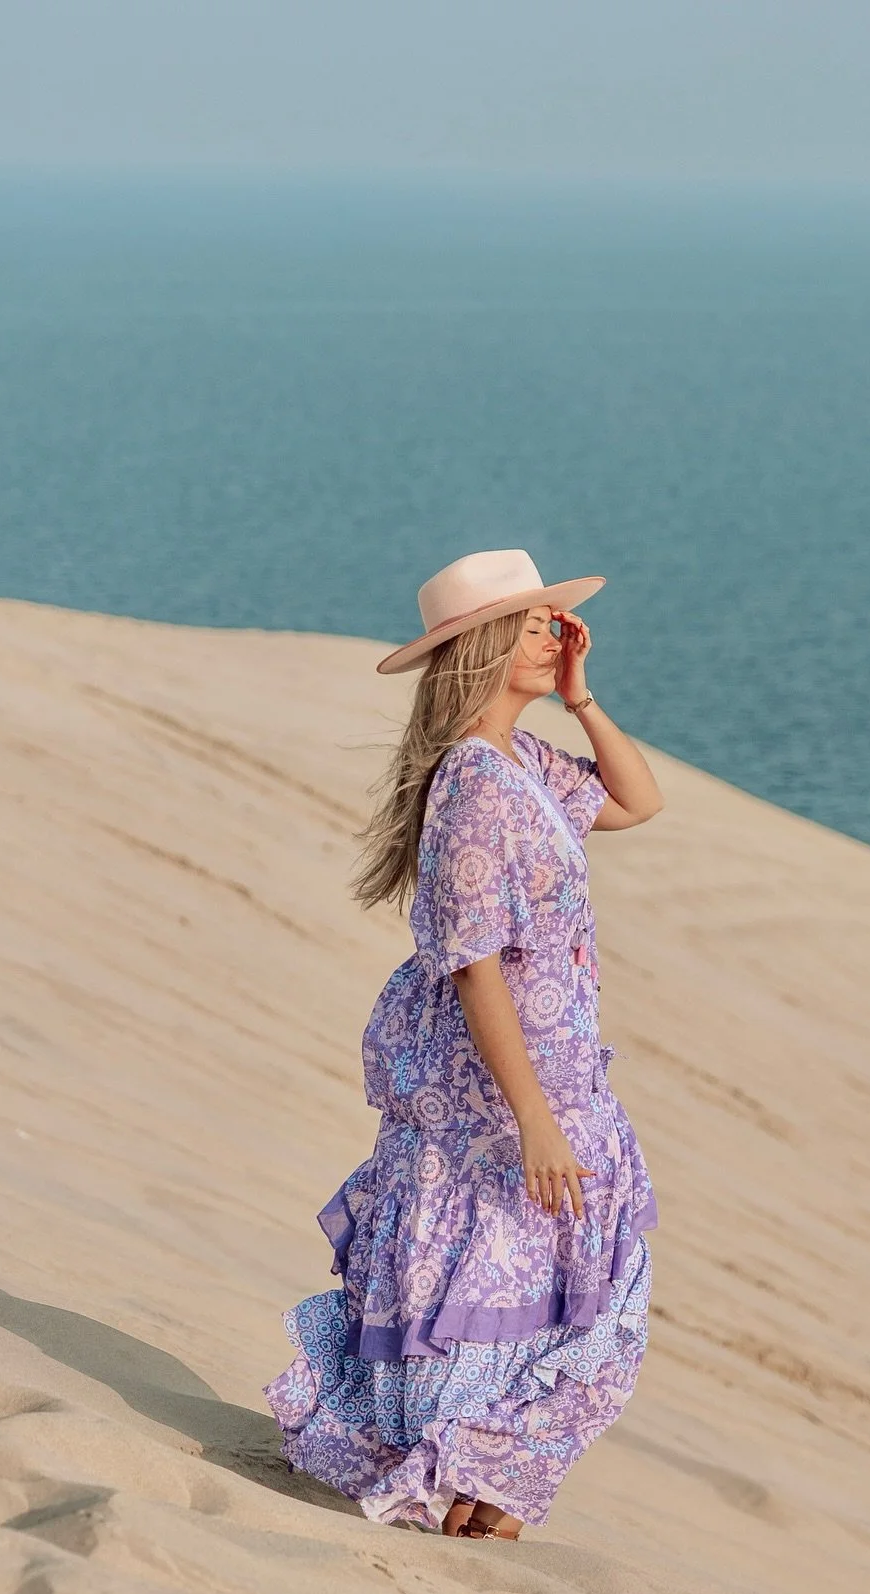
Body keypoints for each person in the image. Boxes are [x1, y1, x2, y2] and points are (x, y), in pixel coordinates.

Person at [265, 549, 663, 1539]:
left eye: (548, 622)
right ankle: (456, 1498)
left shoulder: (525, 764)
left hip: (563, 1071)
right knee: (495, 1290)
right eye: (529, 625)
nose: (548, 634)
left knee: (573, 1289)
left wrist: (583, 698)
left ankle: (481, 1492)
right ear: (483, 645)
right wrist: (531, 1118)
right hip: (500, 1092)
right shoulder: (473, 786)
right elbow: (474, 961)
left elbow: (638, 801)